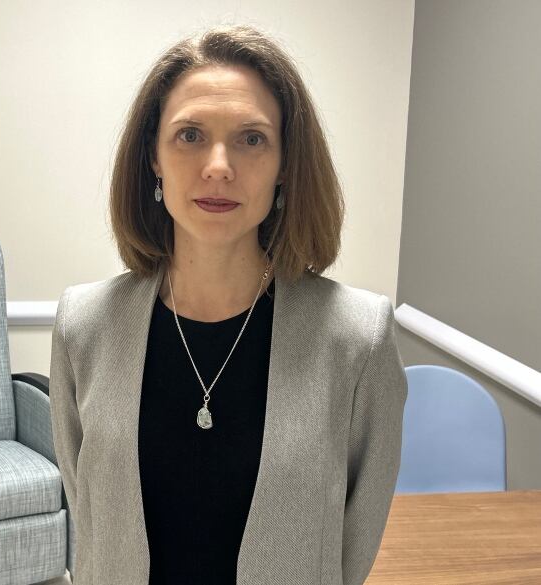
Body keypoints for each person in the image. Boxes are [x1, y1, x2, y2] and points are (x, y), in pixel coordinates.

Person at [49, 24, 408, 585]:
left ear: (286, 163)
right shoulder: (85, 325)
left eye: (251, 138)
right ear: (154, 158)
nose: (218, 165)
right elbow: (93, 522)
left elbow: (351, 548)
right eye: (190, 135)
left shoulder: (358, 338)